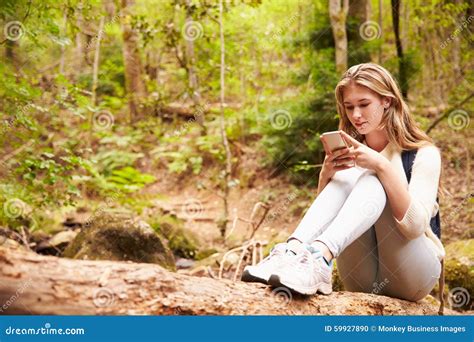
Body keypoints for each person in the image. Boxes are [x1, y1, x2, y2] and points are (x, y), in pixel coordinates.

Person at [242, 63, 445, 302]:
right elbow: (332, 220)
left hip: (413, 275)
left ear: (387, 101)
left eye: (364, 104)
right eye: (349, 107)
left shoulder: (424, 154)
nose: (356, 115)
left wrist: (381, 166)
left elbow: (414, 228)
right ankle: (293, 251)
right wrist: (326, 175)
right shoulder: (351, 154)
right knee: (349, 174)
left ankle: (320, 255)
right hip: (361, 277)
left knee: (371, 176)